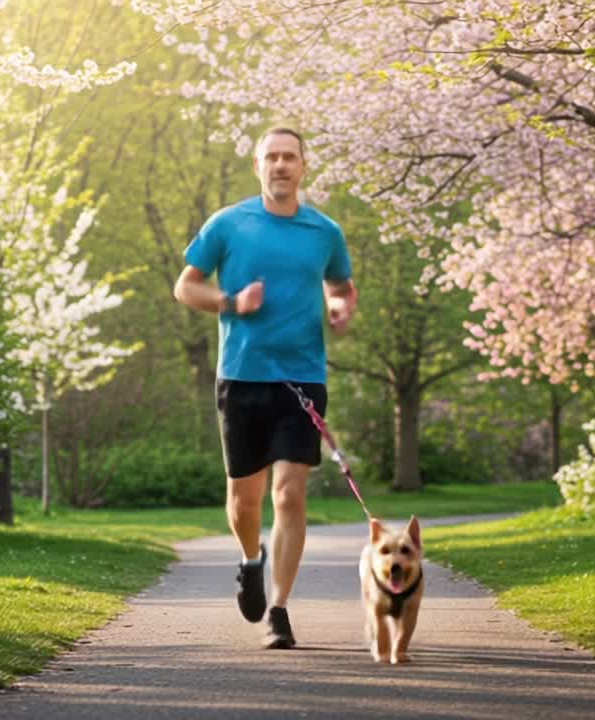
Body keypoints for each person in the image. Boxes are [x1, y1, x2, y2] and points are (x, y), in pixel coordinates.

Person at [173, 127, 357, 649]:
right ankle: (251, 560)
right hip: (240, 375)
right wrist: (231, 303)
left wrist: (341, 307)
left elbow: (340, 285)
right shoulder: (229, 224)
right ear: (258, 166)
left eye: (289, 157)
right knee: (244, 500)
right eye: (271, 157)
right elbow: (185, 286)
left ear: (303, 166)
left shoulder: (324, 231)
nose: (280, 165)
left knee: (289, 493)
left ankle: (279, 609)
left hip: (302, 379)